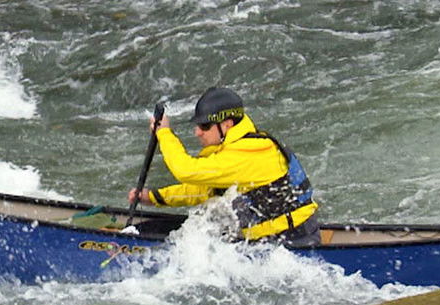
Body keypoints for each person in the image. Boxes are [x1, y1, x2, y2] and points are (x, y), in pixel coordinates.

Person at [127, 86, 321, 247]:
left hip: (295, 241)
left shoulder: (251, 152)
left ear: (226, 125)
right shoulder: (236, 149)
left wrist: (165, 134)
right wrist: (153, 197)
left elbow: (186, 171)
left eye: (204, 126)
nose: (197, 133)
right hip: (270, 240)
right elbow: (205, 191)